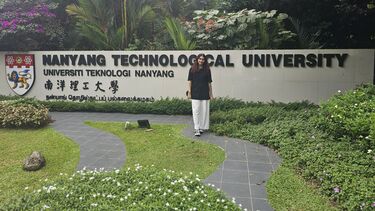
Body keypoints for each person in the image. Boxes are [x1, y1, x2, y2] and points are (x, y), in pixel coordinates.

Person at [187, 54, 213, 137]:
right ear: (197, 60)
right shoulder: (192, 69)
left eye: (203, 59)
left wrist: (211, 94)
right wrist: (189, 92)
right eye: (200, 59)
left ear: (204, 61)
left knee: (204, 111)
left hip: (205, 93)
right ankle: (197, 128)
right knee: (196, 111)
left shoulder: (207, 70)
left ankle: (202, 127)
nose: (201, 60)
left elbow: (209, 83)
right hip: (195, 93)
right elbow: (190, 81)